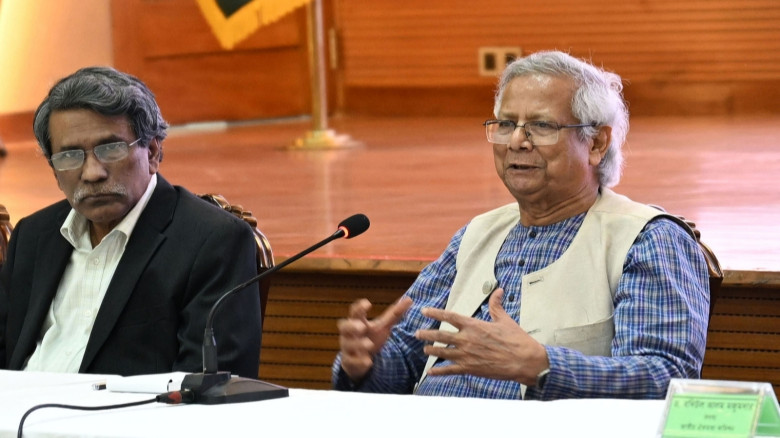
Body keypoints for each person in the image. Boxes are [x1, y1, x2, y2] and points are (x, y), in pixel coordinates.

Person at [332, 50, 710, 400]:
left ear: (596, 143)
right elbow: (404, 360)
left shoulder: (647, 239)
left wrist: (542, 366)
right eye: (506, 124)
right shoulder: (476, 235)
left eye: (541, 126)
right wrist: (366, 362)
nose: (516, 141)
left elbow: (666, 377)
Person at [0, 67, 262, 377]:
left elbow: (211, 382)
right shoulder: (32, 235)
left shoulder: (213, 241)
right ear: (54, 170)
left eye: (110, 149)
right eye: (70, 156)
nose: (92, 173)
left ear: (152, 152)